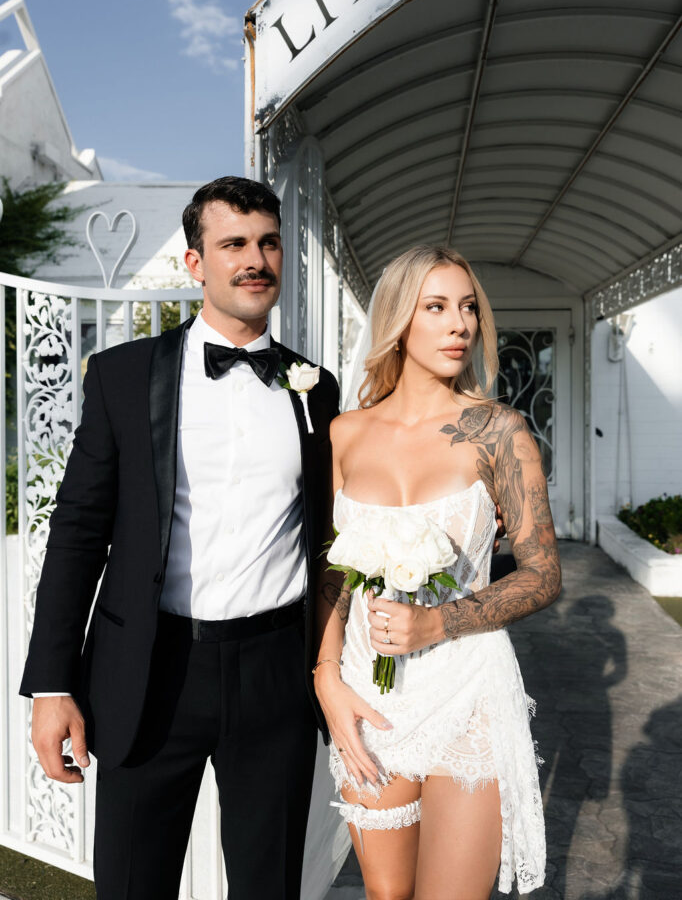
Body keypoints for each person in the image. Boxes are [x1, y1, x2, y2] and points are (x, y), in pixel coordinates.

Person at [19, 176, 341, 900]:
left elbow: (332, 535)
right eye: (233, 244)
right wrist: (51, 682)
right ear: (197, 263)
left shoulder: (318, 391)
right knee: (134, 885)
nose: (254, 259)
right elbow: (76, 532)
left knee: (269, 887)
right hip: (149, 669)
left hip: (274, 676)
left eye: (267, 243)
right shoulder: (123, 377)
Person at [314, 245, 561, 899]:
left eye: (469, 307)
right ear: (399, 319)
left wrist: (436, 623)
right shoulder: (344, 433)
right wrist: (326, 677)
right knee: (385, 895)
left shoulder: (498, 432)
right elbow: (333, 573)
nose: (461, 324)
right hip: (369, 696)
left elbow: (542, 574)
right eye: (438, 307)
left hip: (468, 693)